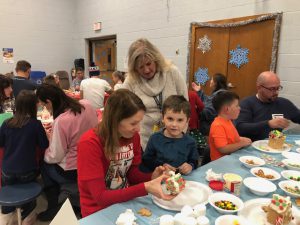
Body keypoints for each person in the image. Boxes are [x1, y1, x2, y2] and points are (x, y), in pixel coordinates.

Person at [77, 89, 175, 217]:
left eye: (139, 122)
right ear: (114, 121)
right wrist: (145, 187)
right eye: (133, 123)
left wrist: (152, 177)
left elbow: (131, 175)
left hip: (124, 202)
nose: (138, 129)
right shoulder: (89, 144)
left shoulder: (133, 137)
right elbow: (100, 197)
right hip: (97, 211)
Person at [35, 84, 98, 221]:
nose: (46, 109)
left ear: (49, 102)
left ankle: (54, 204)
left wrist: (45, 152)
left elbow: (55, 156)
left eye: (44, 106)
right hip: (93, 162)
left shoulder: (61, 120)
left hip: (72, 170)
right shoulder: (86, 105)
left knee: (44, 164)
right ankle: (70, 195)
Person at [123, 38, 188, 150]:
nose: (147, 70)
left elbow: (186, 106)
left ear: (156, 59)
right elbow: (120, 108)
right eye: (141, 67)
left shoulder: (172, 72)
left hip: (175, 136)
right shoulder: (131, 81)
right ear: (134, 68)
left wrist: (180, 135)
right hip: (145, 140)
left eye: (149, 64)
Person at [0, 90, 49, 225]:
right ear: (33, 106)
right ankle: (27, 214)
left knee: (9, 190)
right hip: (27, 170)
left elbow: (1, 143)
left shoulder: (7, 123)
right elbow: (44, 144)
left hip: (7, 170)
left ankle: (8, 211)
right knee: (28, 192)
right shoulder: (35, 124)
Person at [140, 95, 199, 174]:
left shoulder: (191, 142)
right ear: (163, 118)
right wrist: (161, 166)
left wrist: (190, 166)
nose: (174, 124)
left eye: (180, 120)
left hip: (183, 181)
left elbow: (194, 161)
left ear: (187, 121)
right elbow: (146, 161)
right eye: (170, 119)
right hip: (160, 180)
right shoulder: (155, 139)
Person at [235, 71, 300, 141]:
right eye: (272, 89)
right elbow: (240, 128)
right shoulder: (247, 103)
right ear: (259, 88)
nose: (276, 92)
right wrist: (268, 124)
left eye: (278, 88)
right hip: (252, 145)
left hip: (275, 144)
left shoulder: (284, 103)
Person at [209, 91, 252, 161]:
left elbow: (229, 137)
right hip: (221, 162)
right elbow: (223, 149)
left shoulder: (228, 120)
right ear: (227, 109)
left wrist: (240, 139)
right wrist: (241, 144)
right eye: (237, 106)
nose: (239, 108)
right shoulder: (218, 125)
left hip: (232, 157)